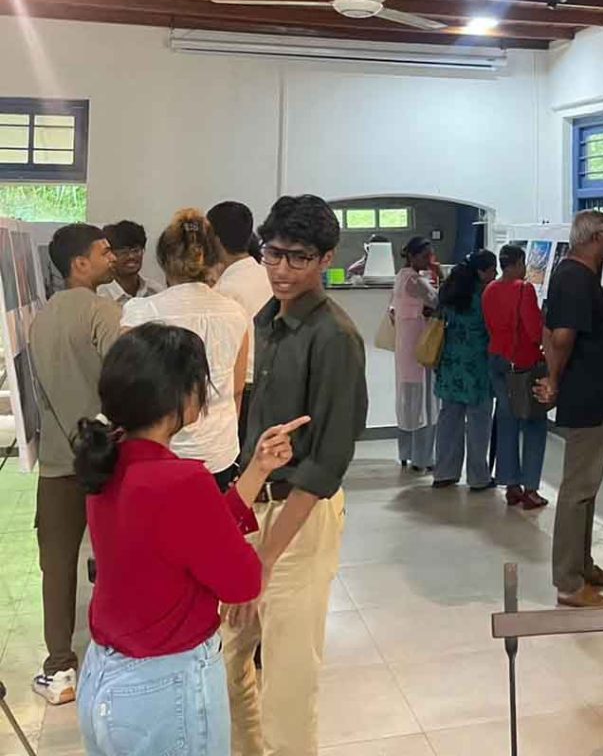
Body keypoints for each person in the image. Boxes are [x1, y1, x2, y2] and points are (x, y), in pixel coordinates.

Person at [72, 323, 306, 755]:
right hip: (166, 688)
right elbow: (242, 581)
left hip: (104, 677)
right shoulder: (179, 481)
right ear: (182, 396)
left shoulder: (108, 462)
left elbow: (189, 533)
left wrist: (257, 470)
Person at [222, 194, 367, 756]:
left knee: (287, 682)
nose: (281, 269)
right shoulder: (266, 320)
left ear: (326, 258)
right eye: (273, 254)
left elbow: (325, 464)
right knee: (228, 659)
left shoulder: (334, 337)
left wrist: (266, 556)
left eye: (298, 258)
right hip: (252, 506)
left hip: (299, 521)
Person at [535, 210, 603, 608]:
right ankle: (569, 583)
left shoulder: (575, 275)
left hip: (597, 396)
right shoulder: (574, 277)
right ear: (596, 237)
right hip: (589, 397)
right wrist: (553, 380)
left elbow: (552, 329)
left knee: (587, 488)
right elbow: (560, 337)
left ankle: (582, 566)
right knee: (578, 489)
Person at [27, 224, 119, 705]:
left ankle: (59, 667)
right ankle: (117, 650)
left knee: (57, 566)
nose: (113, 257)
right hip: (106, 461)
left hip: (57, 464)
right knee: (117, 556)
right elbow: (125, 378)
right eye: (104, 251)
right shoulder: (103, 311)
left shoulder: (38, 320)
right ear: (79, 264)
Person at [121, 209, 249, 490]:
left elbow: (125, 389)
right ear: (214, 258)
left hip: (158, 450)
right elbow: (237, 388)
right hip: (219, 450)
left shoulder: (140, 312)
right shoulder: (236, 313)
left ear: (163, 260)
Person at [482, 244, 548, 509]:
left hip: (496, 359)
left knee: (506, 420)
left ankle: (511, 485)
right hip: (523, 364)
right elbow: (534, 331)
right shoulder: (524, 289)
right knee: (534, 423)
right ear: (519, 263)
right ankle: (531, 489)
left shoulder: (490, 289)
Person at [209, 200, 274, 447]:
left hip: (242, 390)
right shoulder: (269, 277)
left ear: (214, 240)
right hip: (272, 383)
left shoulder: (225, 290)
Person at [432, 250, 498, 491]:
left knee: (449, 419)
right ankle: (478, 477)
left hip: (451, 363)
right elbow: (492, 329)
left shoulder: (450, 291)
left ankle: (444, 472)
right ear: (481, 272)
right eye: (492, 270)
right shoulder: (484, 296)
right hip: (477, 365)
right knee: (479, 422)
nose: (495, 274)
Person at [392, 237, 439, 471]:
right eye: (424, 256)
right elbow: (438, 300)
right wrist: (440, 274)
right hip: (421, 349)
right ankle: (423, 458)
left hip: (405, 348)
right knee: (425, 405)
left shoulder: (401, 277)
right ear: (412, 256)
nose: (428, 261)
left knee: (408, 403)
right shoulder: (415, 280)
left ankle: (407, 453)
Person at [97, 220, 161, 304]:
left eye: (136, 250)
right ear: (111, 255)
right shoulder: (100, 295)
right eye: (124, 252)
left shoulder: (155, 291)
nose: (131, 256)